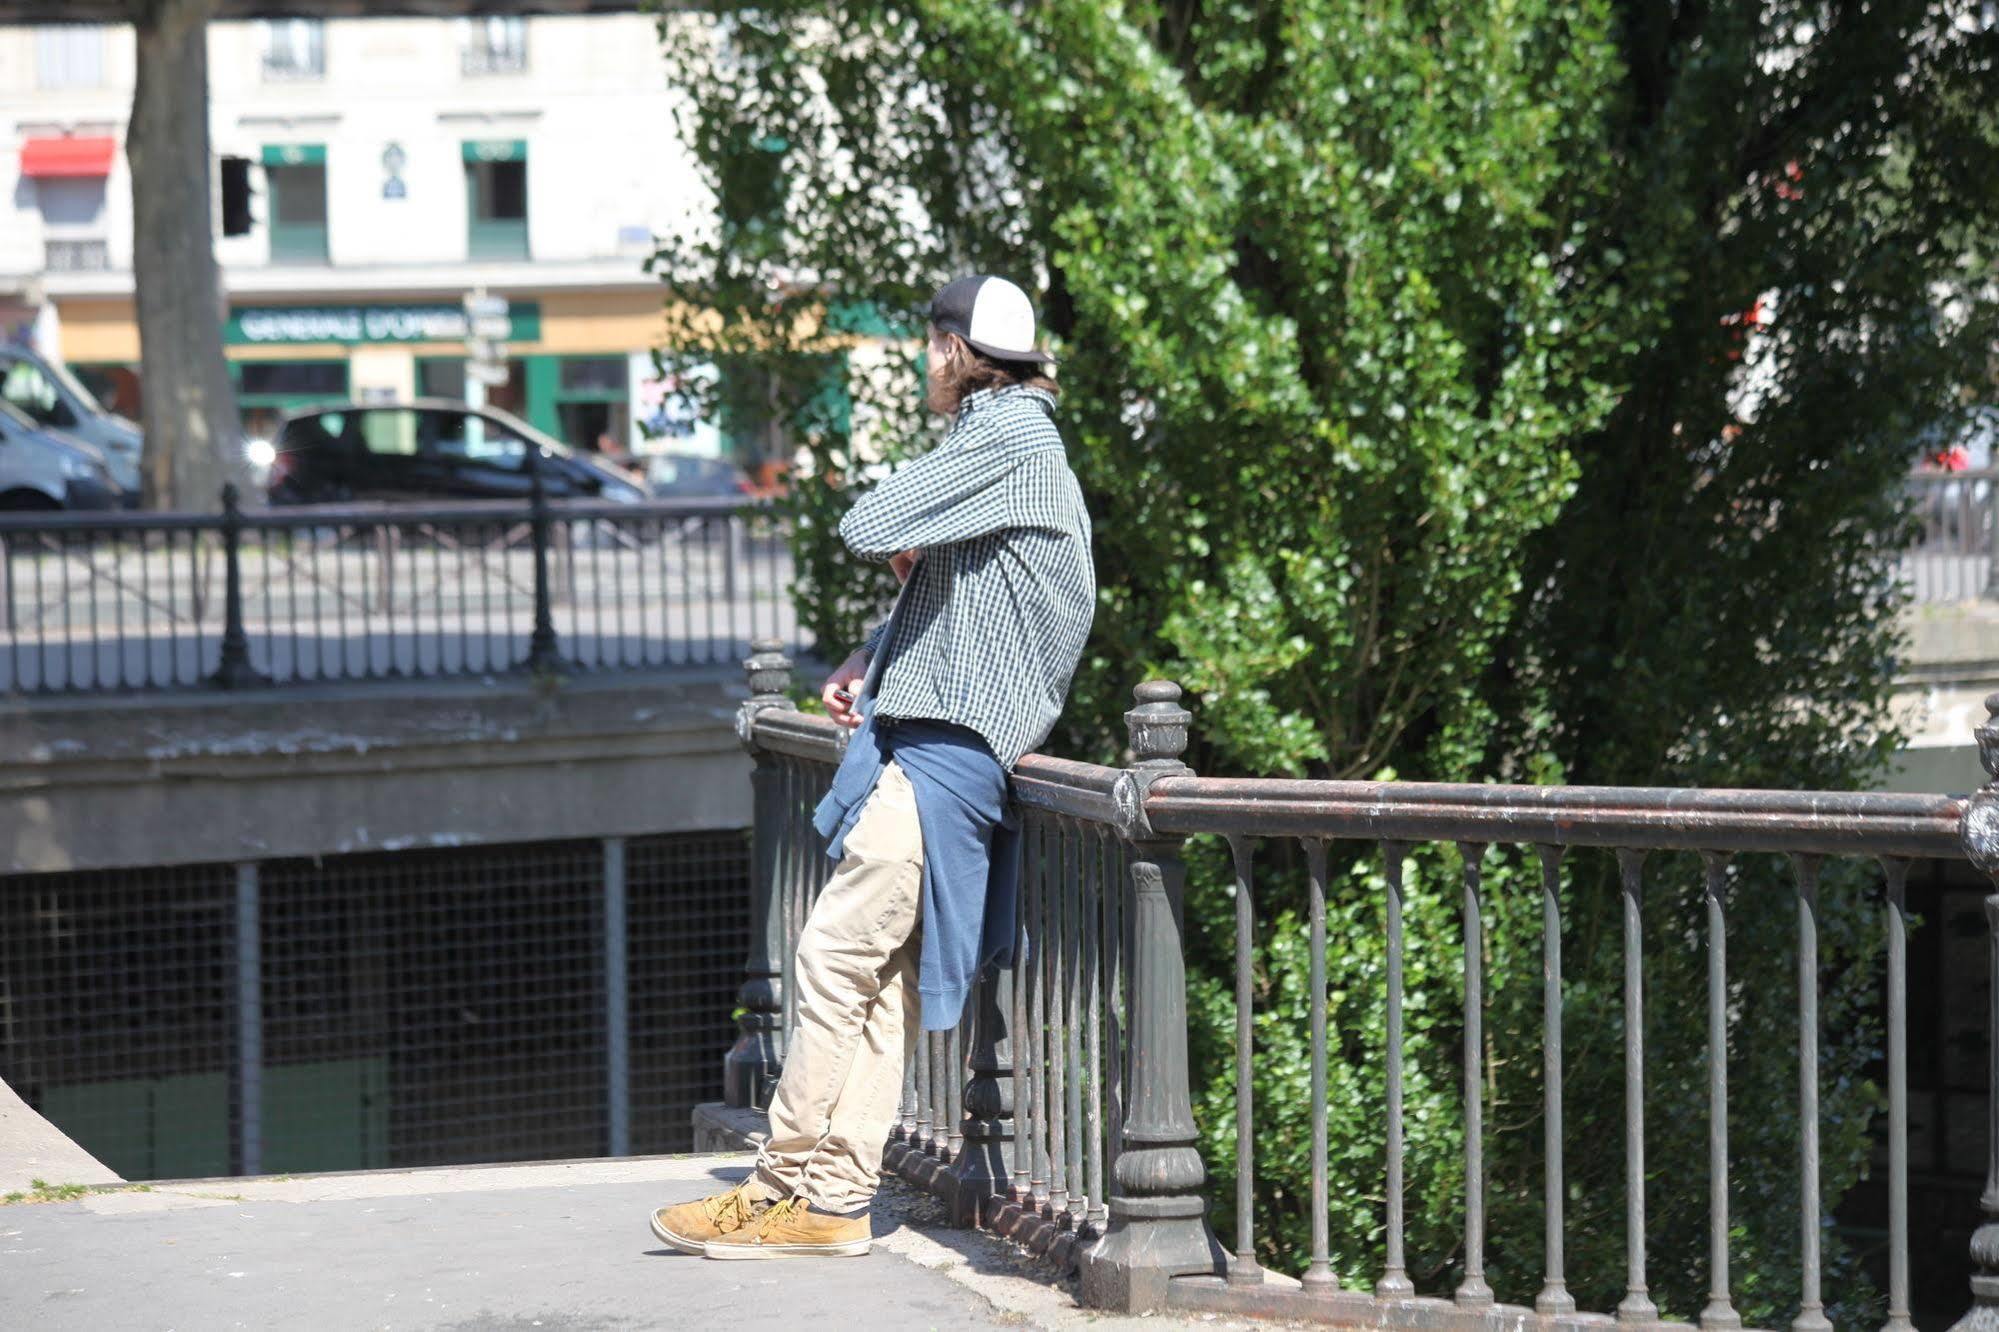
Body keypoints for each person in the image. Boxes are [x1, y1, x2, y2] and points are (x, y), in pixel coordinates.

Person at [650, 274, 1095, 1258]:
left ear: (950, 349)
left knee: (829, 956)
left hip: (948, 752)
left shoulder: (1006, 437)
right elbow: (970, 593)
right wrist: (878, 659)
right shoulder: (1017, 442)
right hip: (945, 742)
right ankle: (837, 1203)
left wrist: (906, 542)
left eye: (929, 346)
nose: (923, 363)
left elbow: (866, 522)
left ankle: (772, 1189)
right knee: (877, 984)